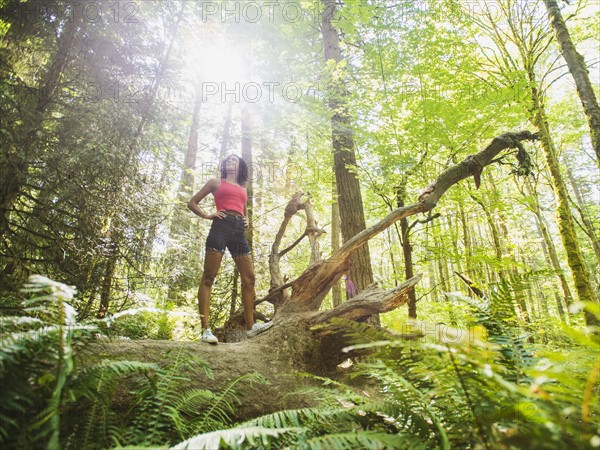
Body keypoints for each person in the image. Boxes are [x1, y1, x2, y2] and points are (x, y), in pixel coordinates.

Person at [187, 154, 272, 344]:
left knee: (249, 278)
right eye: (227, 161)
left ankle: (251, 327)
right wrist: (207, 215)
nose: (230, 162)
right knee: (209, 277)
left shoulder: (243, 188)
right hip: (220, 227)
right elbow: (192, 203)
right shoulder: (215, 182)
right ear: (223, 166)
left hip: (239, 232)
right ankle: (205, 330)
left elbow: (242, 208)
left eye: (234, 160)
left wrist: (247, 220)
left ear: (240, 166)